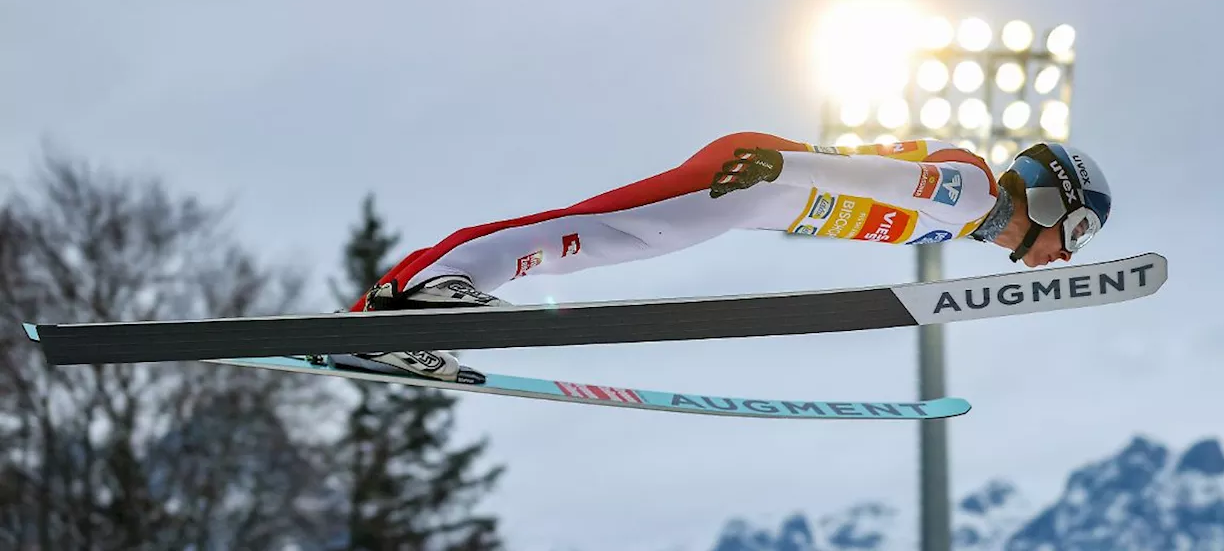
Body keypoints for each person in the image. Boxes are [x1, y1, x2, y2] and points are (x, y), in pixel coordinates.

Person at [341, 131, 1111, 384]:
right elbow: (880, 178)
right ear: (1047, 198)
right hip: (755, 181)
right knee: (585, 232)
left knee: (584, 243)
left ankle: (406, 310)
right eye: (1073, 235)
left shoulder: (966, 213)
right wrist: (789, 168)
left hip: (757, 197)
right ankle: (422, 292)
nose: (1060, 255)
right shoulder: (973, 193)